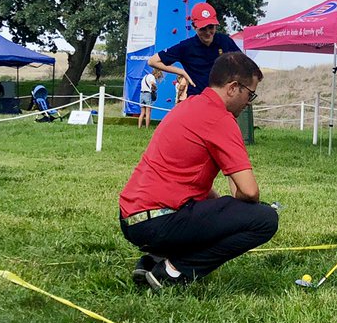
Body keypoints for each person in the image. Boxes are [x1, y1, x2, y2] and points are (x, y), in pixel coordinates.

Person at [119, 51, 278, 290]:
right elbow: (249, 192)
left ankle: (154, 260)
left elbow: (194, 184)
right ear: (233, 88)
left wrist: (225, 206)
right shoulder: (220, 119)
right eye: (250, 93)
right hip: (159, 222)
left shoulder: (189, 105)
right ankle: (174, 271)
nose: (249, 102)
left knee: (220, 209)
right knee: (264, 219)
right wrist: (235, 205)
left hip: (131, 219)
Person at [147, 1, 240, 97]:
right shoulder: (186, 47)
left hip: (222, 99)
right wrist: (182, 72)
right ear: (194, 27)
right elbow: (152, 61)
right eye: (203, 28)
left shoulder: (224, 41)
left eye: (211, 27)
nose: (208, 32)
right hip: (198, 99)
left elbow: (242, 63)